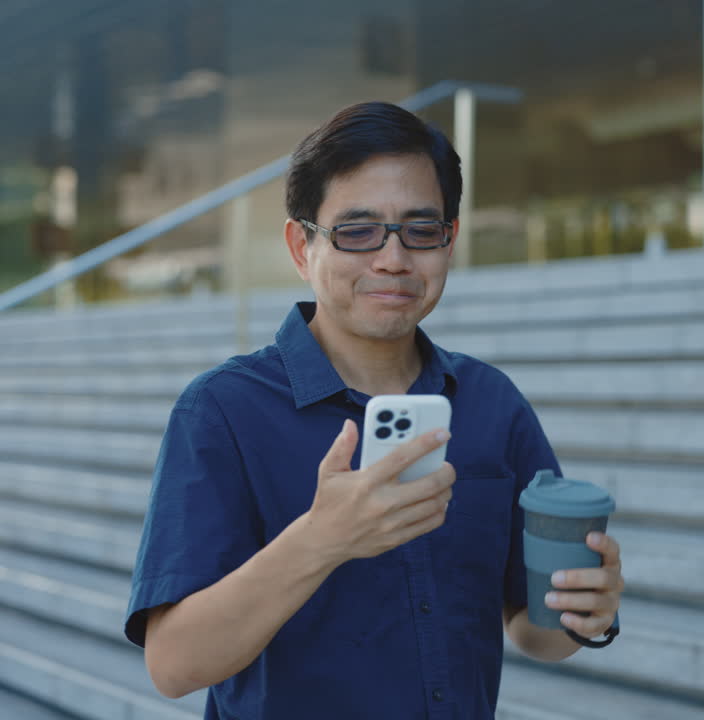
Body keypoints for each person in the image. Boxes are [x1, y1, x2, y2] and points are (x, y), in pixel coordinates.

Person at [125, 101, 625, 719]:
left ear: (450, 239)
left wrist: (583, 611)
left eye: (421, 230)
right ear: (300, 245)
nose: (393, 259)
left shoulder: (493, 403)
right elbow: (173, 665)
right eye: (357, 232)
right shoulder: (223, 410)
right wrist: (321, 540)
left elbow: (529, 628)